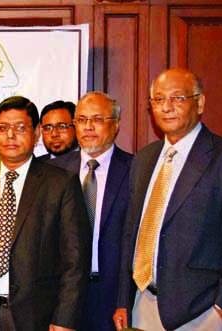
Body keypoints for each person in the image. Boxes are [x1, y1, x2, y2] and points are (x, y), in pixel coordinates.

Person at [0, 96, 91, 331]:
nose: (10, 136)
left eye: (20, 128)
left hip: (38, 316)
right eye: (3, 128)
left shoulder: (61, 184)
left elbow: (75, 262)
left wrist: (64, 319)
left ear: (36, 133)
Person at [113, 68, 222, 331]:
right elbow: (130, 234)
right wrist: (123, 299)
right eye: (158, 100)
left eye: (177, 98)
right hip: (142, 305)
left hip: (201, 312)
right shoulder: (144, 158)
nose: (166, 107)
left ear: (200, 103)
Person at [49, 92, 132, 331]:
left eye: (97, 119)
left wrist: (125, 300)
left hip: (112, 298)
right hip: (59, 296)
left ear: (115, 125)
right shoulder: (51, 171)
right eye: (81, 120)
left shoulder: (136, 170)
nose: (88, 127)